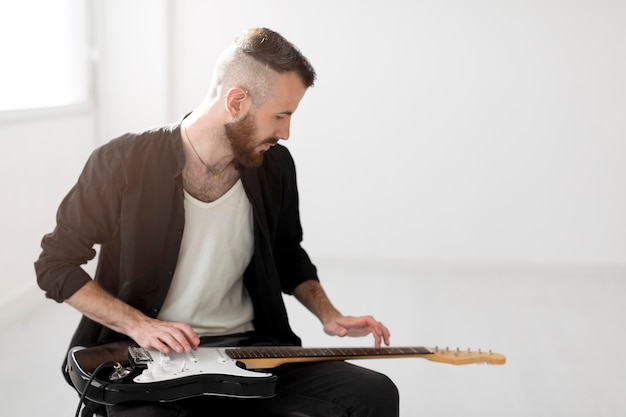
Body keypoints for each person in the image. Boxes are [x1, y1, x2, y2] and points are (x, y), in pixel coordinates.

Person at [35, 27, 399, 417]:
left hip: (251, 350)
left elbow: (285, 251)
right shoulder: (122, 162)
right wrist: (138, 324)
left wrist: (329, 314)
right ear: (237, 101)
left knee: (374, 393)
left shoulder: (275, 166)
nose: (286, 133)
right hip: (147, 359)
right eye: (280, 116)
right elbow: (56, 265)